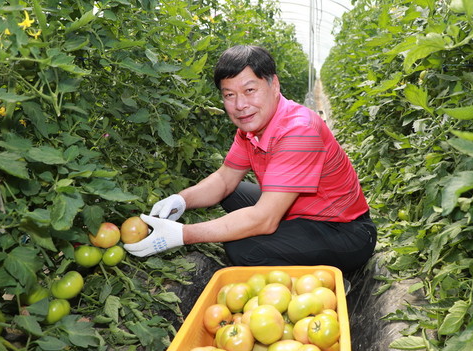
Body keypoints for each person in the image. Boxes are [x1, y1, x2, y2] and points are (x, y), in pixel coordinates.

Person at [124, 45, 376, 273]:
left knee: (244, 250)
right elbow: (224, 179)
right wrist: (181, 200)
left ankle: (324, 281)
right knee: (230, 192)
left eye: (249, 90)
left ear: (274, 85)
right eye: (229, 95)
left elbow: (264, 220)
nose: (240, 105)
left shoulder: (299, 130)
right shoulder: (250, 129)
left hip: (345, 232)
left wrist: (182, 234)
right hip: (298, 214)